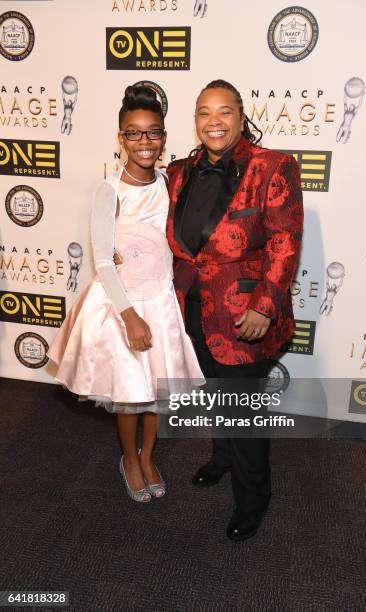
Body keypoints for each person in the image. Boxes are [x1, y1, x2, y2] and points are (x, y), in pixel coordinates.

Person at [48, 85, 203, 503]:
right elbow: (102, 261)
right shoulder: (108, 190)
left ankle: (148, 457)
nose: (144, 142)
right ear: (120, 139)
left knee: (155, 392)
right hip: (123, 305)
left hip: (161, 299)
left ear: (164, 136)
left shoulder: (170, 182)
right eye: (133, 133)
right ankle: (129, 460)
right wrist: (130, 315)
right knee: (129, 394)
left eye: (153, 132)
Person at [166, 79, 303, 540]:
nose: (214, 121)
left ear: (242, 117)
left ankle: (253, 499)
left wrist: (265, 306)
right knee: (215, 393)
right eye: (204, 112)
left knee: (242, 415)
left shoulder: (273, 166)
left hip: (246, 314)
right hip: (193, 308)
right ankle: (221, 458)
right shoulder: (179, 171)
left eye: (224, 111)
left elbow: (285, 242)